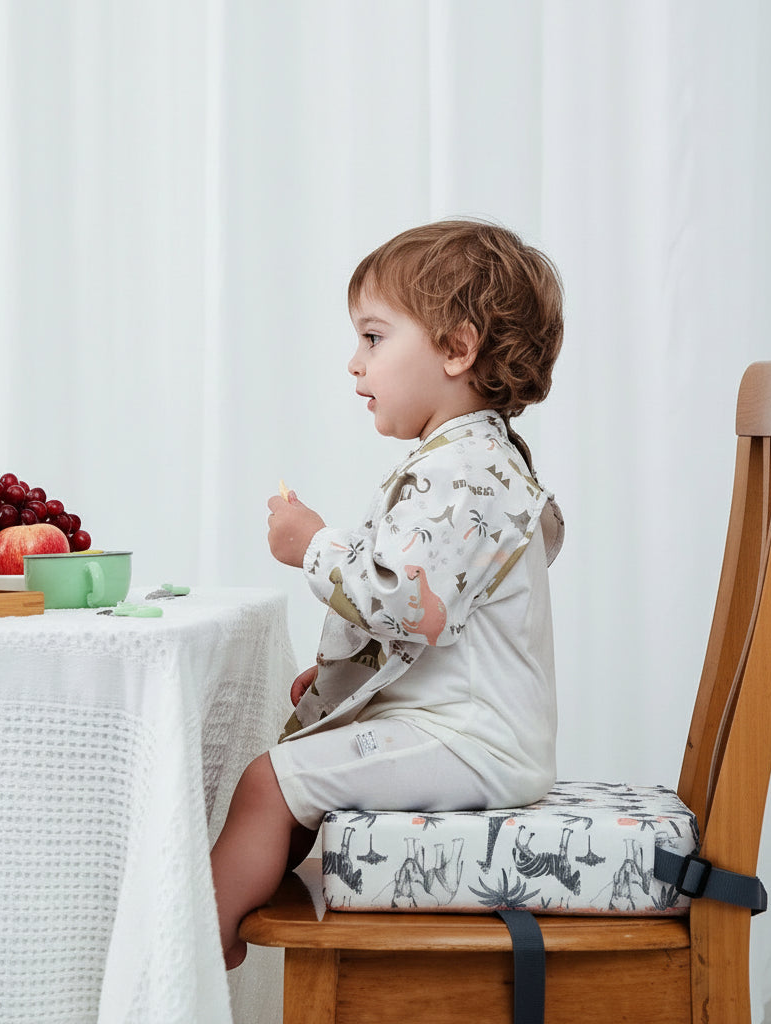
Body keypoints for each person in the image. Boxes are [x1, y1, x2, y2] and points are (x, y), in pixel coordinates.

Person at [211, 219, 565, 969]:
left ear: (456, 349)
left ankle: (192, 955)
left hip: (474, 745)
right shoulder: (479, 460)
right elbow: (441, 620)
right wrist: (355, 678)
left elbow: (407, 603)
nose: (354, 363)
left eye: (374, 337)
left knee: (268, 781)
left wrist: (310, 543)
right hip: (478, 733)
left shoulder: (464, 470)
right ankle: (227, 937)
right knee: (296, 768)